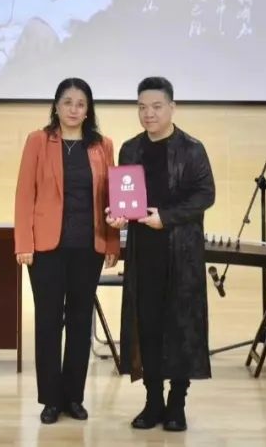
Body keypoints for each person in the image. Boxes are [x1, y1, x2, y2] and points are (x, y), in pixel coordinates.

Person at [106, 76, 214, 432]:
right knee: (147, 326)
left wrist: (165, 217)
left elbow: (205, 195)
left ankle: (176, 403)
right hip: (144, 253)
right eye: (142, 107)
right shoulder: (130, 149)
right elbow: (124, 199)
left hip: (182, 253)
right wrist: (117, 216)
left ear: (172, 107)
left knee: (181, 326)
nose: (148, 114)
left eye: (155, 107)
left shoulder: (192, 149)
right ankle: (153, 401)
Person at [14, 78, 119, 424]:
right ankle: (51, 399)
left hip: (88, 247)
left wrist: (112, 242)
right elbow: (24, 194)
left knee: (79, 322)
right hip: (46, 248)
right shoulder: (38, 141)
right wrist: (24, 243)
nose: (74, 109)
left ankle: (74, 397)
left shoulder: (102, 145)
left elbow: (111, 199)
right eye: (68, 102)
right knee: (47, 322)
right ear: (56, 106)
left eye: (81, 104)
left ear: (89, 110)